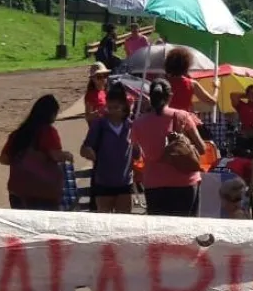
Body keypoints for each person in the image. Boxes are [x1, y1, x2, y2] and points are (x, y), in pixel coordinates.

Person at [132, 78, 206, 217]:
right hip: (185, 183)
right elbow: (201, 148)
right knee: (186, 230)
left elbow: (136, 152)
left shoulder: (138, 123)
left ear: (150, 97)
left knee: (161, 233)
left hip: (154, 184)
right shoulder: (182, 116)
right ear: (170, 96)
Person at [0, 94, 73, 211]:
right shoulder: (48, 132)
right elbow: (55, 155)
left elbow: (4, 159)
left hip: (19, 191)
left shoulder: (18, 133)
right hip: (43, 191)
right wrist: (67, 155)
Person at [80, 84, 137, 214]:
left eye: (116, 107)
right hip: (103, 182)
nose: (112, 111)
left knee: (124, 223)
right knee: (105, 222)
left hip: (125, 182)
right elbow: (84, 148)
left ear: (124, 106)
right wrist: (88, 151)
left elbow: (137, 154)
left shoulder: (131, 126)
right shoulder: (99, 125)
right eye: (109, 107)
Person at [165, 47, 217, 112]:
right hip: (184, 119)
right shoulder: (191, 83)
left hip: (166, 119)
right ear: (186, 65)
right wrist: (216, 88)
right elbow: (212, 102)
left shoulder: (163, 83)